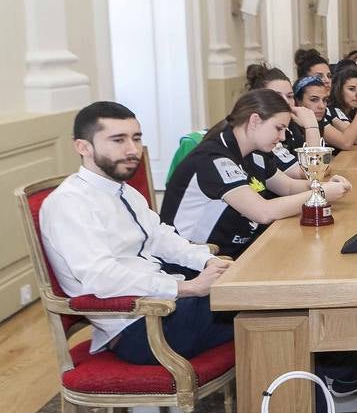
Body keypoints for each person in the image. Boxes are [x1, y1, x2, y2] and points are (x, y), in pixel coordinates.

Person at [39, 102, 236, 363]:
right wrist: (188, 288)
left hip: (164, 307)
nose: (133, 150)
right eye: (118, 140)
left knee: (251, 295)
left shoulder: (124, 191)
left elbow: (161, 237)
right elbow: (102, 277)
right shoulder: (69, 203)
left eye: (136, 138)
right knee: (260, 310)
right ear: (83, 147)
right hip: (139, 328)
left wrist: (208, 261)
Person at [160, 90, 351, 259]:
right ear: (254, 120)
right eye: (279, 128)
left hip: (239, 253)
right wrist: (321, 194)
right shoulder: (214, 158)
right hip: (196, 266)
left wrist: (322, 186)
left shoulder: (255, 153)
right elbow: (263, 212)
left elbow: (288, 187)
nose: (283, 137)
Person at [245, 63, 318, 178]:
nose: (286, 102)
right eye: (277, 96)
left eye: (289, 96)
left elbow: (317, 170)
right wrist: (311, 127)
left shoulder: (290, 128)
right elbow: (311, 171)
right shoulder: (263, 135)